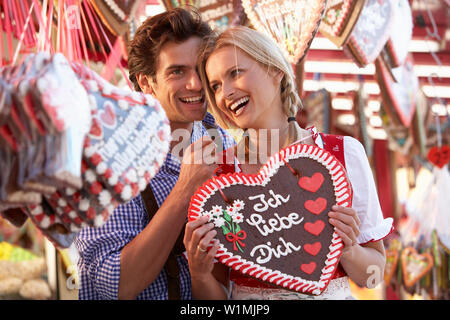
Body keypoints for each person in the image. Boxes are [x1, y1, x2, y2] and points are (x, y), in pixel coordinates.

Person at [184, 26, 394, 300]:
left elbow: (372, 275)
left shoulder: (342, 154)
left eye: (235, 73)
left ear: (275, 70)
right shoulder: (219, 177)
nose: (226, 92)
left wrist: (348, 249)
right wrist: (199, 274)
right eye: (216, 86)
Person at [74, 8, 235, 300]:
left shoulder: (224, 142)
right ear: (146, 83)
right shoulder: (106, 159)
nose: (195, 84)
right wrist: (185, 188)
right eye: (177, 71)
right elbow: (118, 285)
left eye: (200, 68)